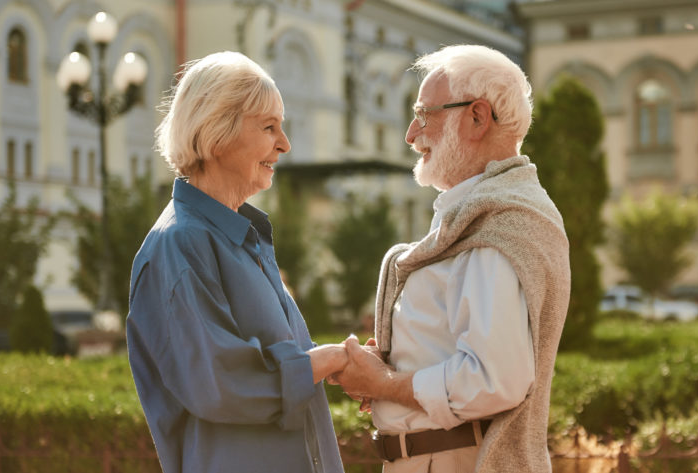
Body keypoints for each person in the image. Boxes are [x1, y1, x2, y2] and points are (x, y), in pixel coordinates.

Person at [332, 45, 571, 472]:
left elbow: (493, 380)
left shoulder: (495, 222)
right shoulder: (483, 214)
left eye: (424, 114)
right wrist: (395, 363)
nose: (410, 133)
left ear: (477, 117)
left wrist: (383, 383)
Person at [126, 51, 346, 473]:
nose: (284, 144)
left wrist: (341, 363)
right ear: (216, 132)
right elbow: (221, 384)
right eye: (269, 127)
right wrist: (327, 361)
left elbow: (280, 364)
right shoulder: (179, 244)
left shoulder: (241, 239)